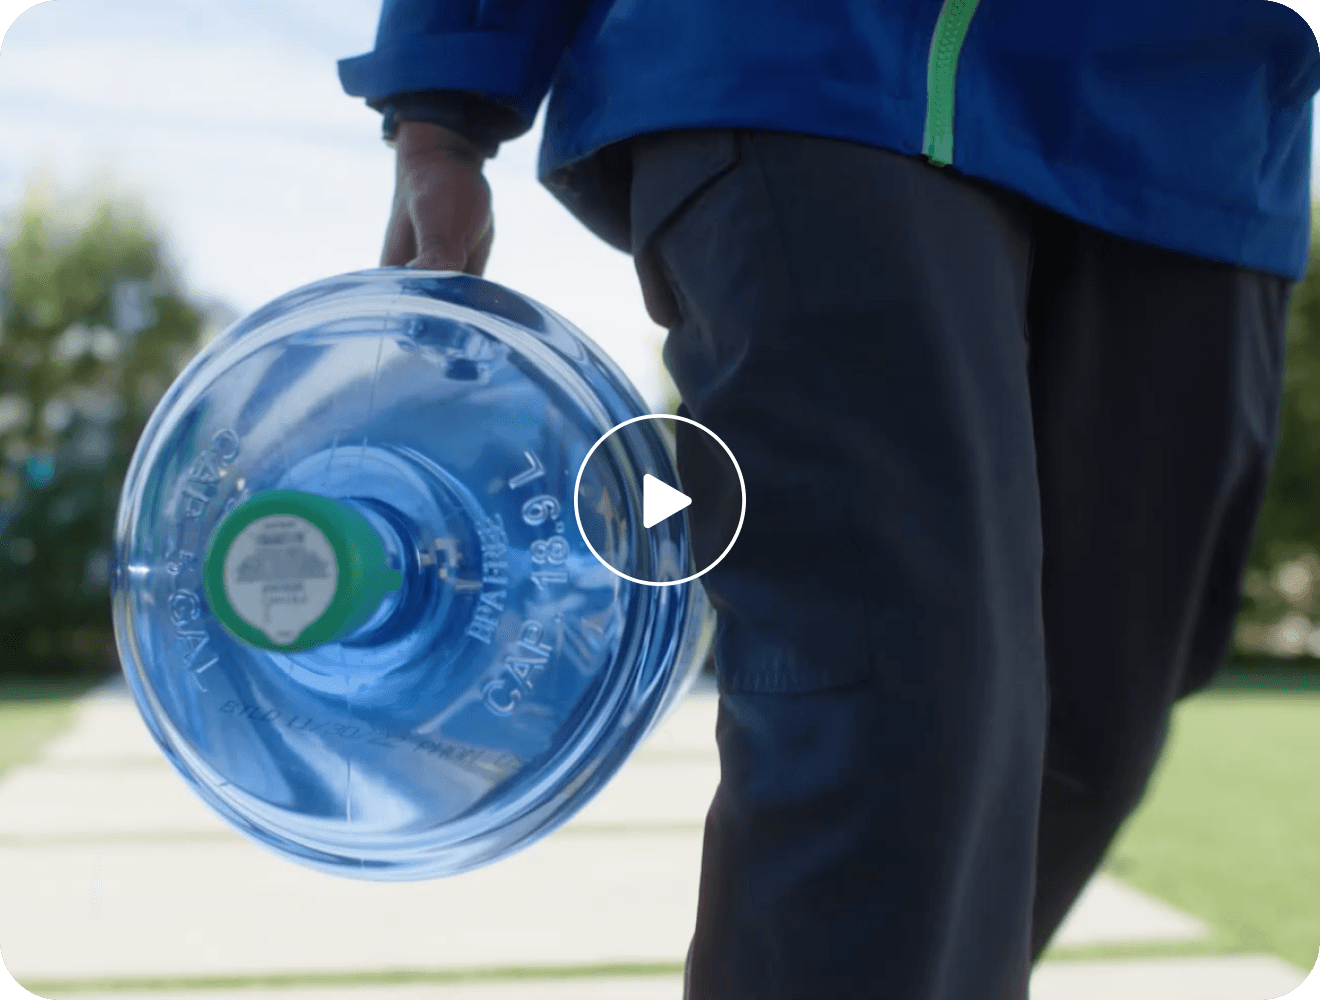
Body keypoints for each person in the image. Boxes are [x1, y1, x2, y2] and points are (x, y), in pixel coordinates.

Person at [339, 3, 1320, 997]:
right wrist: (444, 95)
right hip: (816, 61)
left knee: (1084, 738)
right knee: (907, 713)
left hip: (1211, 122)